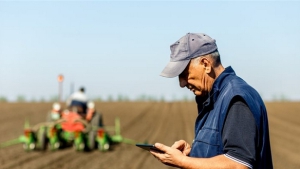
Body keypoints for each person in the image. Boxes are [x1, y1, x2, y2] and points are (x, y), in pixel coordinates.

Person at [150, 33, 273, 169]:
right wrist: (195, 152)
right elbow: (220, 152)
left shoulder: (236, 99)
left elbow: (238, 165)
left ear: (205, 64)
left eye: (184, 74)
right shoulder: (214, 98)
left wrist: (182, 162)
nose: (182, 83)